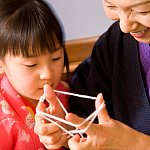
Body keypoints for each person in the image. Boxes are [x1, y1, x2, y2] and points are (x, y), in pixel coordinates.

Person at [34, 0, 150, 149]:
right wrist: (66, 128)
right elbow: (88, 119)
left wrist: (137, 144)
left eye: (142, 11)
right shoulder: (112, 45)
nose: (124, 27)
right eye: (111, 6)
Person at [0, 0, 69, 149]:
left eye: (56, 58)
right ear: (1, 62)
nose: (48, 74)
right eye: (31, 64)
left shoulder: (63, 92)